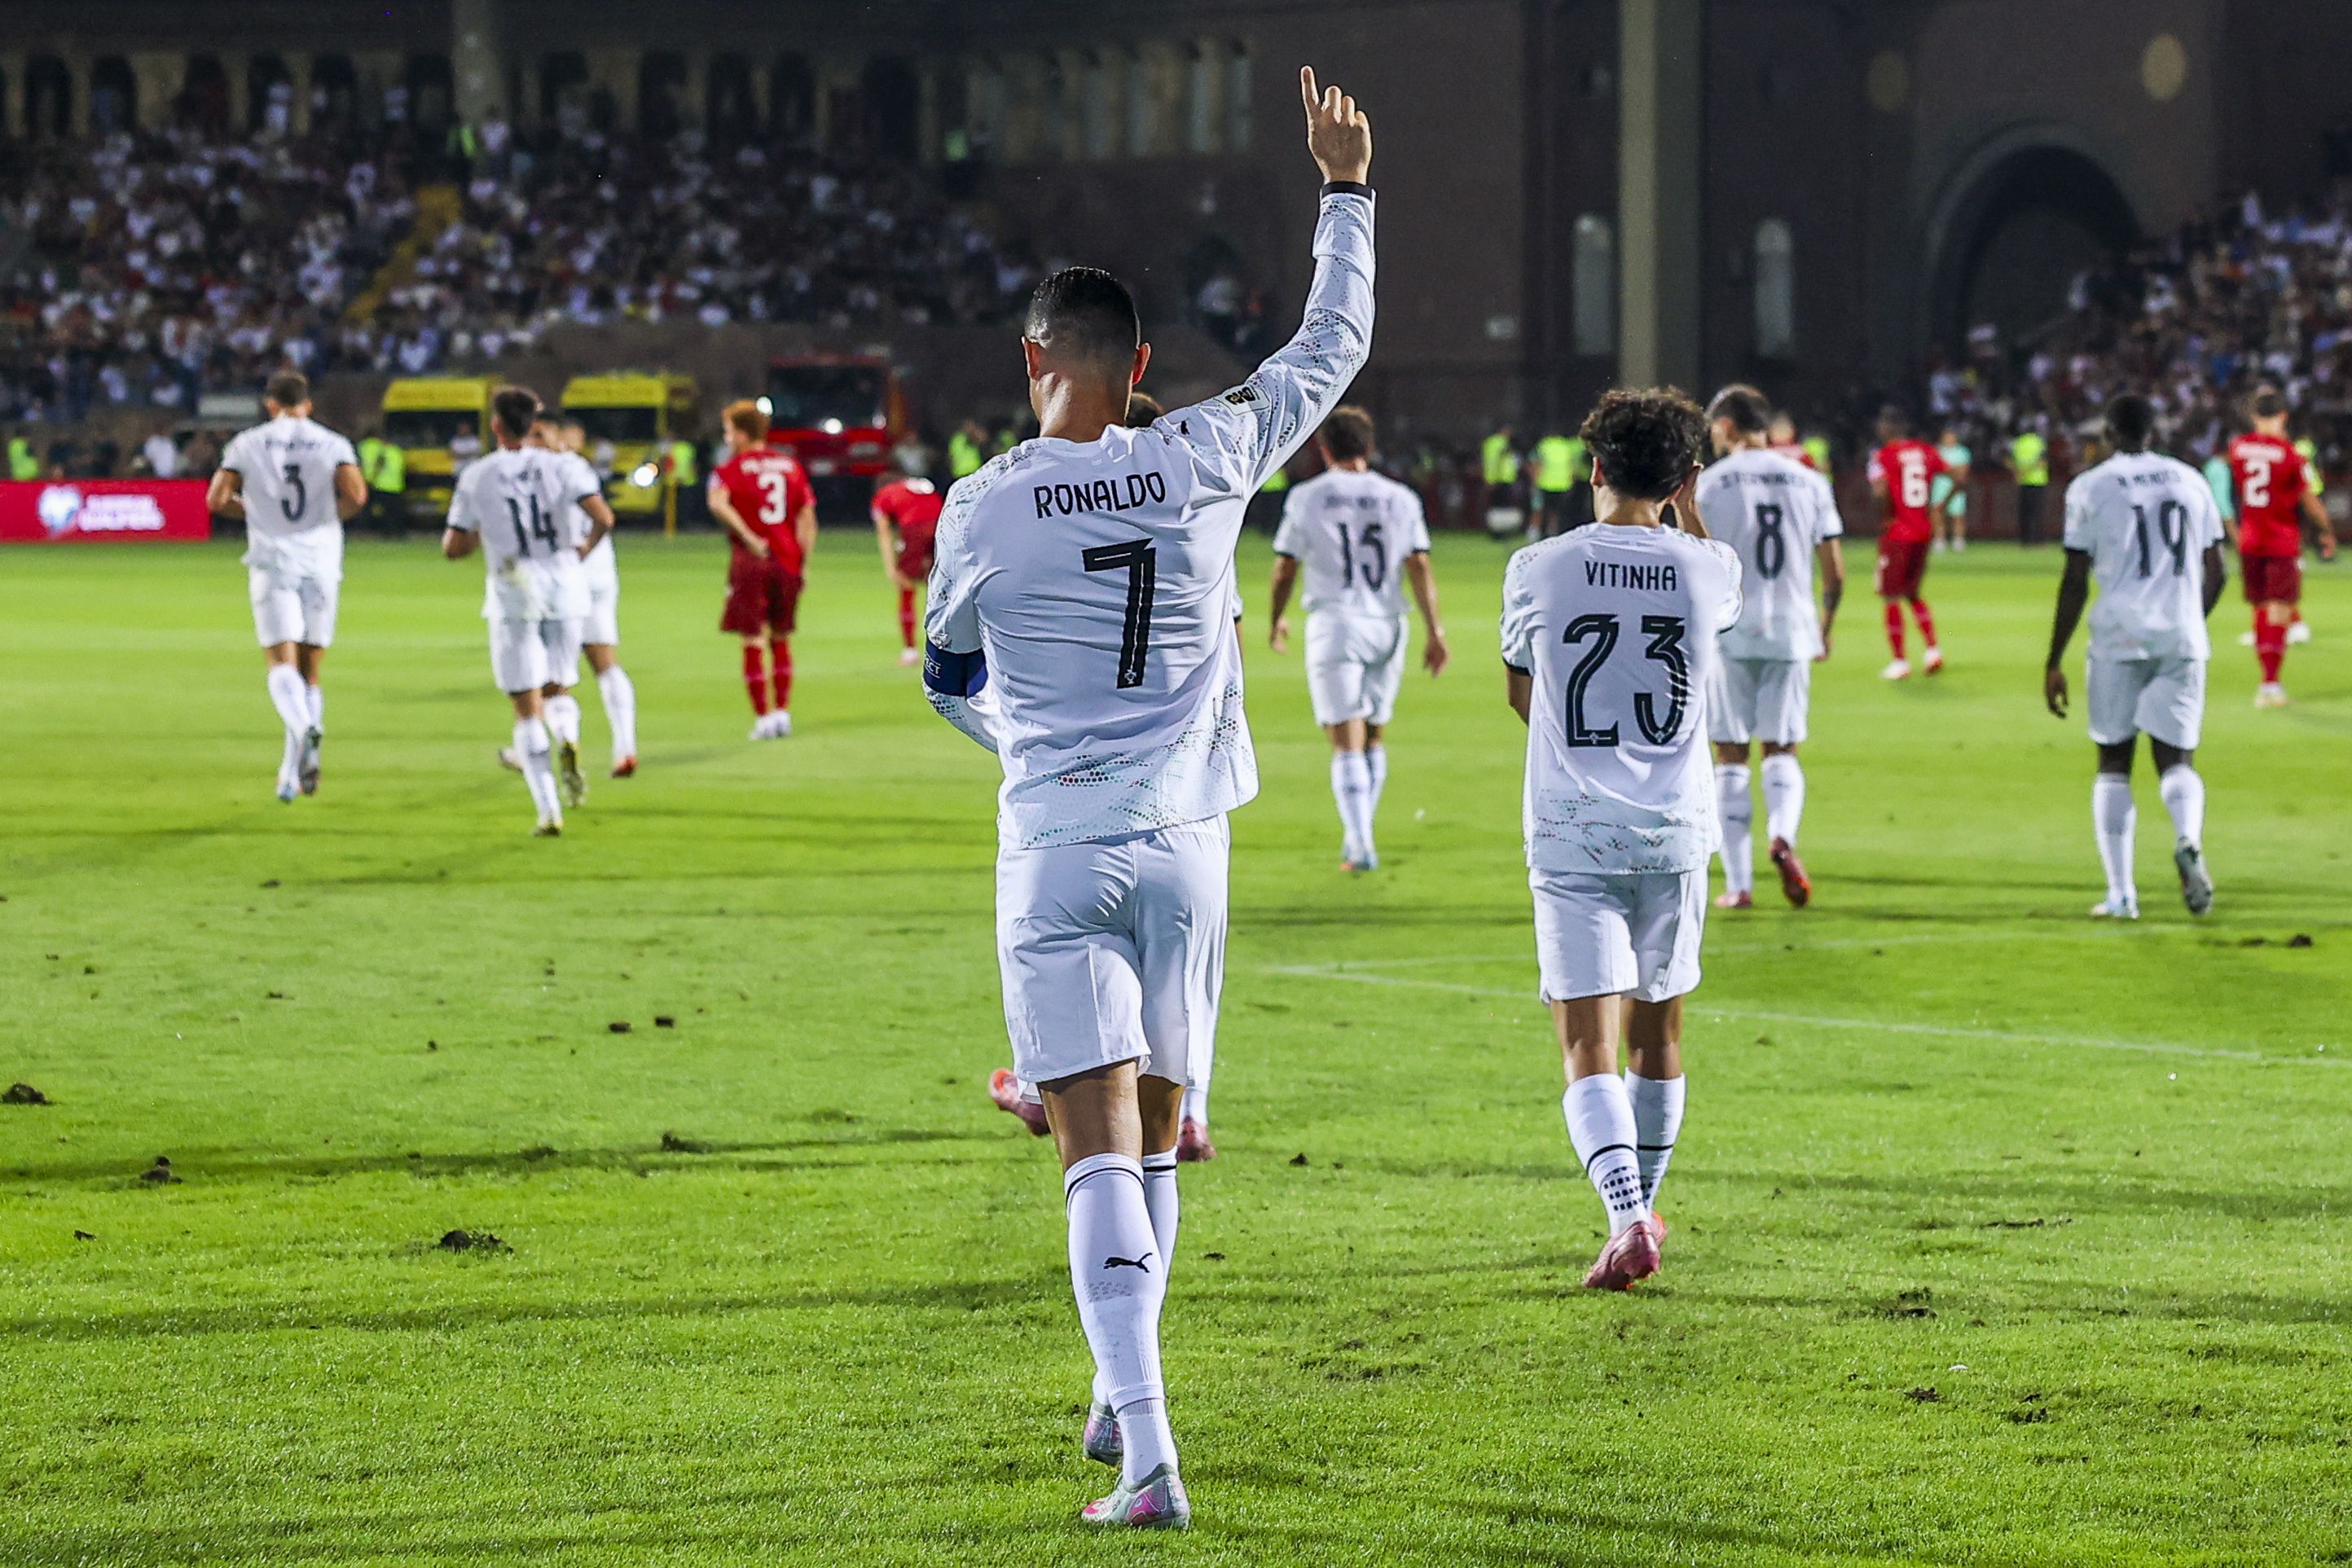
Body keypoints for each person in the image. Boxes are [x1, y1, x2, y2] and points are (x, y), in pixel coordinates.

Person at [922, 67, 1374, 1529]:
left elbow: (945, 673)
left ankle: (1151, 1453)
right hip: (1188, 847)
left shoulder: (981, 502)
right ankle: (1122, 1400)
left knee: (1093, 1147)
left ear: (1031, 357)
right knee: (1163, 1128)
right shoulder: (1204, 450)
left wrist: (1023, 743)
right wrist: (1344, 189)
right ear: (1140, 362)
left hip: (1057, 844)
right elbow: (1331, 345)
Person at [1500, 387, 1741, 1292]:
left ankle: (1625, 1213)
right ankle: (1641, 1207)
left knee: (1584, 1044)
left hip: (1572, 830)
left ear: (1593, 467)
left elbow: (1522, 694)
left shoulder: (1537, 566)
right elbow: (1713, 577)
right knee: (1657, 1034)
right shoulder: (1708, 567)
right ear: (1682, 480)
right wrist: (1688, 511)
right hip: (1675, 831)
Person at [2044, 394, 2226, 919]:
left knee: (2113, 763)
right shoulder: (2191, 480)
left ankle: (2122, 895)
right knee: (2176, 759)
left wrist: (2054, 659)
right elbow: (2219, 573)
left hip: (2118, 638)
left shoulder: (2091, 486)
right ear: (2155, 431)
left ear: (2108, 432)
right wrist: (2188, 620)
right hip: (2181, 637)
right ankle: (2188, 839)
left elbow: (2074, 579)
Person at [1267, 406, 1449, 872]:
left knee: (1344, 739)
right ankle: (1360, 837)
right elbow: (1419, 564)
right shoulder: (1400, 497)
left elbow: (1285, 566)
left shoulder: (1307, 497)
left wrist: (1276, 618)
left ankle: (1361, 843)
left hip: (1337, 624)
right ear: (1369, 447)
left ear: (1324, 448)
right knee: (1373, 736)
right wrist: (1435, 631)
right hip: (1389, 624)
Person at [1695, 385, 1844, 910]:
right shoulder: (1810, 480)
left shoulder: (1710, 484)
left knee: (1730, 755)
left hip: (1730, 629)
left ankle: (1739, 885)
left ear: (1727, 427)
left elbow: (1696, 560)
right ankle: (1781, 836)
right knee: (1781, 748)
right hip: (1792, 628)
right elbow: (1835, 572)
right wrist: (1824, 627)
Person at [442, 386, 613, 837]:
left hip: (514, 591)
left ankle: (549, 810)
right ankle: (569, 738)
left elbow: (453, 547)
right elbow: (604, 517)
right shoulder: (564, 465)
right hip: (565, 588)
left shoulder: (478, 474)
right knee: (558, 688)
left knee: (526, 707)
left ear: (495, 425)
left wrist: (483, 532)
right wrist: (583, 549)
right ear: (534, 422)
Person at [206, 371, 367, 804]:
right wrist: (324, 519)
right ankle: (293, 768)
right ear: (307, 405)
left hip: (273, 560)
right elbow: (356, 496)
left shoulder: (247, 443)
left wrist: (258, 512)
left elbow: (216, 500)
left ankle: (302, 730)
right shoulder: (332, 443)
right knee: (309, 671)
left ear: (270, 405)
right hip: (321, 562)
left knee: (280, 664)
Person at [708, 400, 819, 740]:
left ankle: (763, 718)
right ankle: (782, 713)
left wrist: (747, 535)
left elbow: (717, 503)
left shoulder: (731, 468)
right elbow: (807, 519)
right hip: (787, 560)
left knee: (753, 639)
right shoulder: (790, 466)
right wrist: (803, 563)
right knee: (781, 637)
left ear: (742, 434)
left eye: (729, 432)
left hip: (751, 562)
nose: (727, 439)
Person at [2227, 388, 2337, 706]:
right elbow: (2309, 499)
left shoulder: (2238, 447)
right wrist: (2326, 530)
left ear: (2253, 416)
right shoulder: (2289, 453)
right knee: (2279, 607)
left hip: (2249, 537)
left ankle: (2267, 682)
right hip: (2280, 539)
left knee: (2260, 606)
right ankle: (2270, 684)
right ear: (2283, 416)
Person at [1866, 406, 1953, 679]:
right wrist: (1940, 505)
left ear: (1887, 428)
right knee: (1913, 593)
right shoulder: (1926, 451)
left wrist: (1885, 518)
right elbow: (1958, 476)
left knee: (1891, 596)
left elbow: (1880, 491)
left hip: (1898, 533)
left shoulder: (1884, 455)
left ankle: (1900, 661)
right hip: (1923, 531)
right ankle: (1933, 650)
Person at [871, 466, 943, 666]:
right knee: (941, 588)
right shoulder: (918, 485)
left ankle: (910, 650)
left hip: (914, 529)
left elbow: (884, 532)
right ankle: (948, 646)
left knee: (906, 587)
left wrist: (891, 567)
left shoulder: (884, 494)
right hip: (943, 526)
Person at [1531, 428, 1583, 537]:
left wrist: (1534, 480)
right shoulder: (1566, 446)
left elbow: (1537, 464)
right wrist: (1571, 480)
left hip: (1545, 483)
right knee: (1556, 512)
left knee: (1540, 508)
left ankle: (1535, 532)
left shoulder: (1544, 445)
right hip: (1563, 484)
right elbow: (1571, 465)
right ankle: (1553, 531)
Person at [357, 424, 407, 535]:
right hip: (397, 486)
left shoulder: (381, 452)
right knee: (395, 511)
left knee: (382, 511)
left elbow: (378, 466)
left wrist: (372, 479)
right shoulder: (398, 451)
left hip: (382, 485)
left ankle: (383, 531)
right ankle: (398, 532)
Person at [1932, 425, 1972, 551]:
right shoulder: (1937, 451)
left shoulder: (1962, 452)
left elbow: (1963, 470)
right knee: (1937, 514)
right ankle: (1939, 540)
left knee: (1957, 515)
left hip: (1956, 487)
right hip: (1939, 487)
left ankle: (1958, 540)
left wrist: (1949, 471)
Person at [2011, 423, 2050, 546]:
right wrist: (2030, 469)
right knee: (2037, 512)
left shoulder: (2018, 443)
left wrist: (2018, 472)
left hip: (2023, 480)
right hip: (2038, 480)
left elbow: (2008, 459)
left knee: (2024, 512)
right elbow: (2043, 461)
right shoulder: (2039, 442)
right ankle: (2037, 539)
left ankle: (2025, 539)